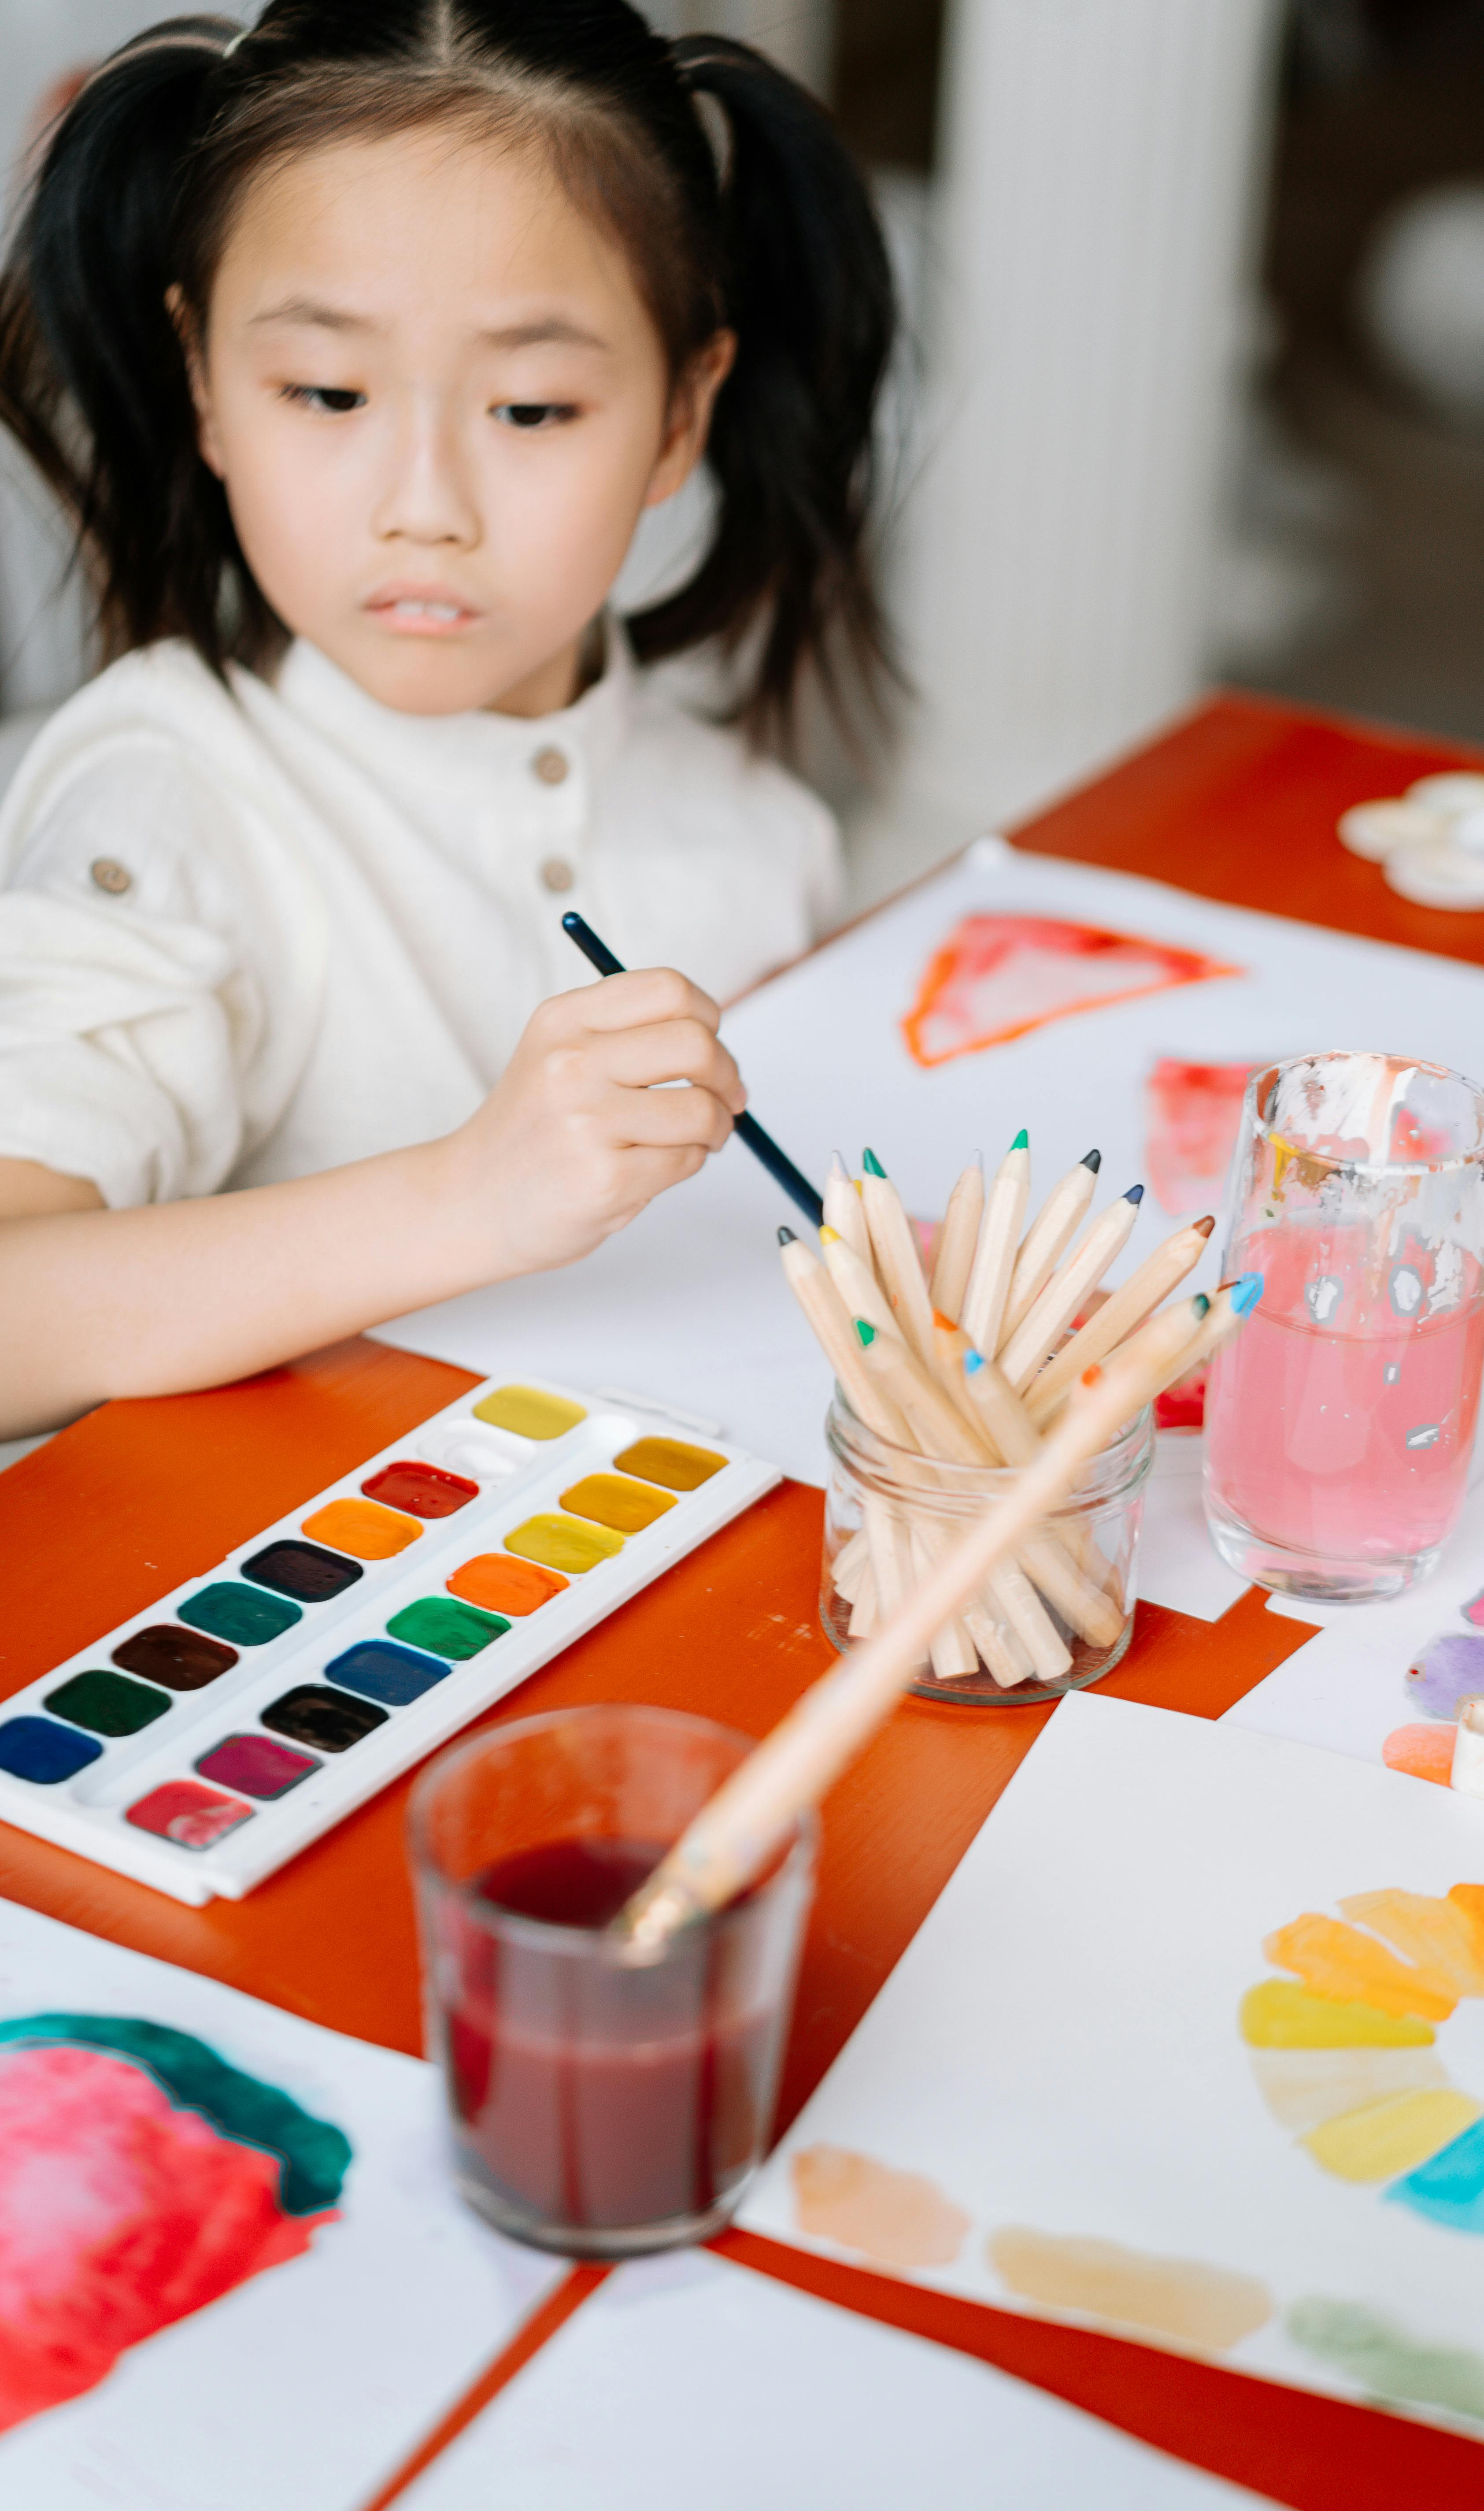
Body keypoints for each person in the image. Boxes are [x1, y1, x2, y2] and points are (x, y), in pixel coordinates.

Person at [0, 2, 894, 1439]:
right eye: (327, 391)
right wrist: (473, 1195)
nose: (423, 504)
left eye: (532, 410)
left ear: (680, 414)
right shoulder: (169, 800)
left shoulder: (749, 824)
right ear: (205, 389)